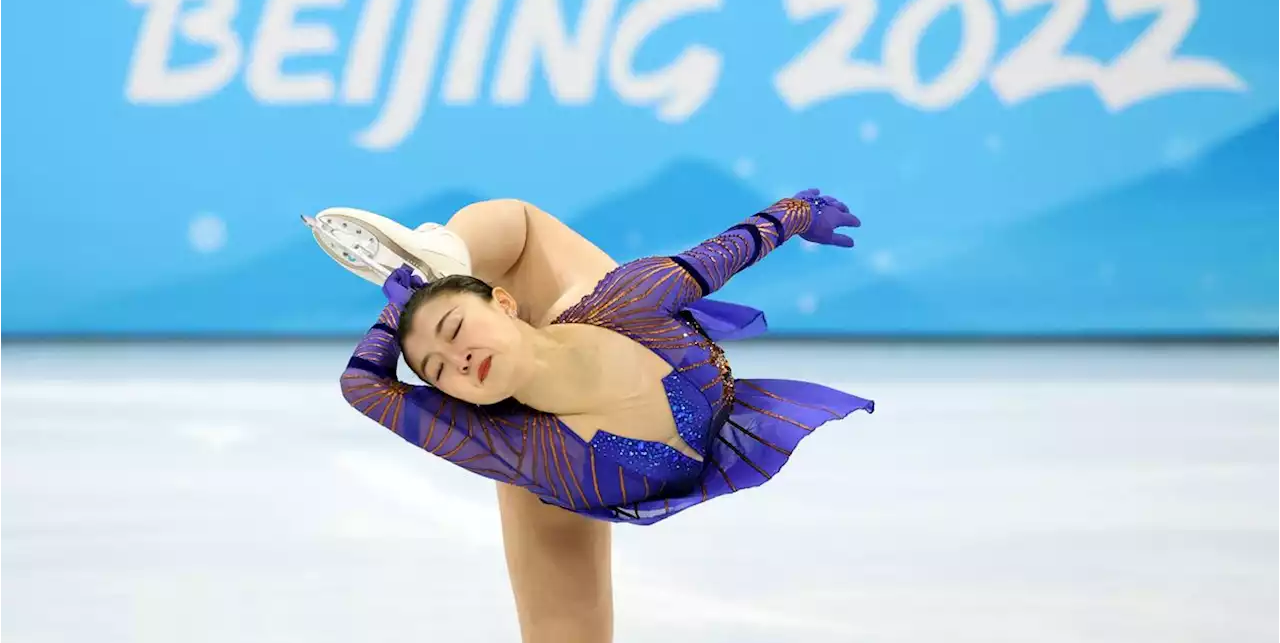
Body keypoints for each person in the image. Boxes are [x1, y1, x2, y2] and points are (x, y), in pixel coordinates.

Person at [307, 189, 874, 642]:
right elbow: (362, 384)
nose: (458, 359)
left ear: (504, 300)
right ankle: (437, 276)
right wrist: (400, 309)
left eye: (456, 333)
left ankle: (441, 253)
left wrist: (800, 212)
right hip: (572, 475)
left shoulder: (632, 299)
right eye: (437, 371)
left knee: (515, 227)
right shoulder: (514, 449)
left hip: (591, 321)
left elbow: (727, 250)